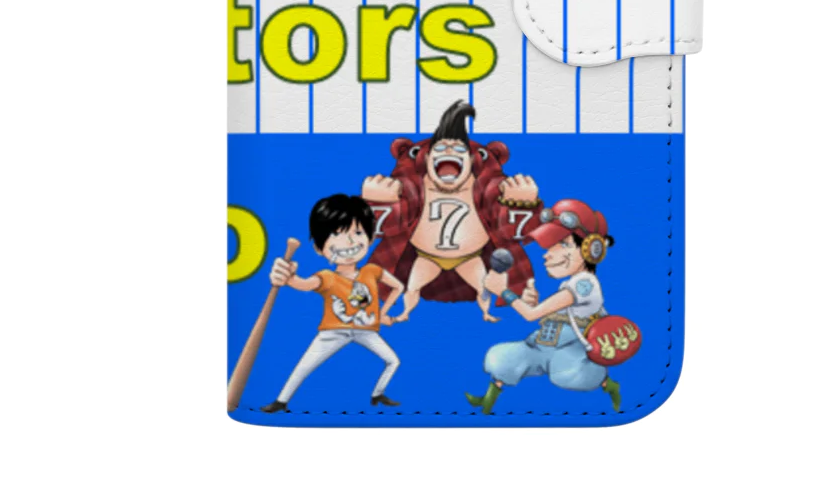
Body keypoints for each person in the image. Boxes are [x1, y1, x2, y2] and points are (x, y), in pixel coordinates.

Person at [362, 100, 542, 323]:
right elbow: (375, 231)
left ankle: (486, 313)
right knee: (413, 287)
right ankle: (405, 313)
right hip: (427, 256)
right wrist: (375, 202)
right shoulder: (411, 188)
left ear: (471, 160)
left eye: (458, 149)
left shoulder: (489, 189)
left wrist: (521, 203)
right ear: (426, 159)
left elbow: (521, 234)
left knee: (483, 288)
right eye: (439, 148)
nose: (448, 150)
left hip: (470, 257)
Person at [465, 198, 623, 414]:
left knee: (567, 375)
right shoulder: (570, 284)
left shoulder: (584, 284)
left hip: (569, 347)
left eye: (564, 244)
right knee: (504, 359)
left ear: (591, 250)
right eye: (550, 245)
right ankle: (487, 401)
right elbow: (555, 312)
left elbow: (532, 315)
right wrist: (529, 300)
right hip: (545, 341)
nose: (548, 253)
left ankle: (609, 385)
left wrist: (504, 292)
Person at [260, 194, 404, 413]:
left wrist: (383, 313)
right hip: (333, 332)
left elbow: (398, 287)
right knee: (304, 366)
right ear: (319, 248)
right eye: (336, 234)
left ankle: (377, 394)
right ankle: (281, 402)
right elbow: (303, 284)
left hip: (366, 330)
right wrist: (288, 277)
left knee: (393, 361)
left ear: (370, 239)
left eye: (357, 233)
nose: (349, 242)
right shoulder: (327, 277)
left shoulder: (371, 271)